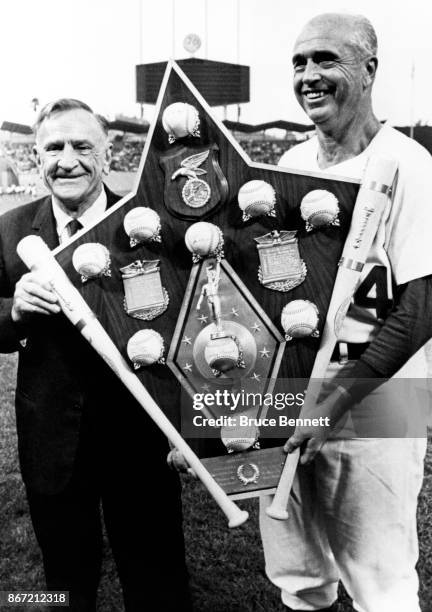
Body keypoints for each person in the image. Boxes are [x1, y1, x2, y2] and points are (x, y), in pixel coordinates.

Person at [259, 13, 432, 612]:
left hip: (380, 405)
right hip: (288, 396)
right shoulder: (288, 163)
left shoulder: (410, 164)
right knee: (299, 578)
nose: (308, 75)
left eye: (325, 60)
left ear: (368, 70)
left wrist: (332, 401)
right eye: (299, 63)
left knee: (381, 583)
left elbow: (419, 303)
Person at [0, 99, 191, 611]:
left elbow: (187, 325)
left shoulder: (146, 223)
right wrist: (13, 312)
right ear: (36, 155)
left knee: (157, 577)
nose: (67, 160)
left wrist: (187, 424)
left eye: (83, 147)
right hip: (53, 436)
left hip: (139, 434)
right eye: (54, 147)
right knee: (65, 580)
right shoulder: (11, 228)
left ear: (108, 156)